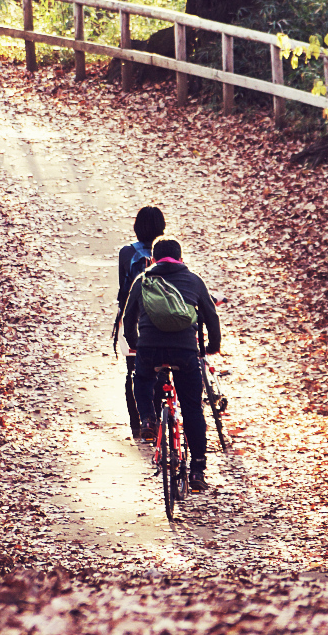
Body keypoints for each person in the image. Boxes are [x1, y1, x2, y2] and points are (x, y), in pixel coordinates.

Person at [122, 236, 221, 492]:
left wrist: (135, 343)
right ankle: (198, 467)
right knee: (192, 409)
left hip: (150, 349)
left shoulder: (142, 280)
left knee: (142, 378)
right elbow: (211, 316)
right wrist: (212, 347)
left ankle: (147, 420)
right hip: (185, 352)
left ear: (152, 259)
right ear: (181, 258)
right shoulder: (194, 280)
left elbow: (129, 315)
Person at [113, 206, 167, 438]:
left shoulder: (127, 253)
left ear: (136, 228)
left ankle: (139, 424)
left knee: (133, 373)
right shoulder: (167, 252)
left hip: (132, 317)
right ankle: (159, 417)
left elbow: (123, 289)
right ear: (162, 228)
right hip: (161, 319)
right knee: (161, 370)